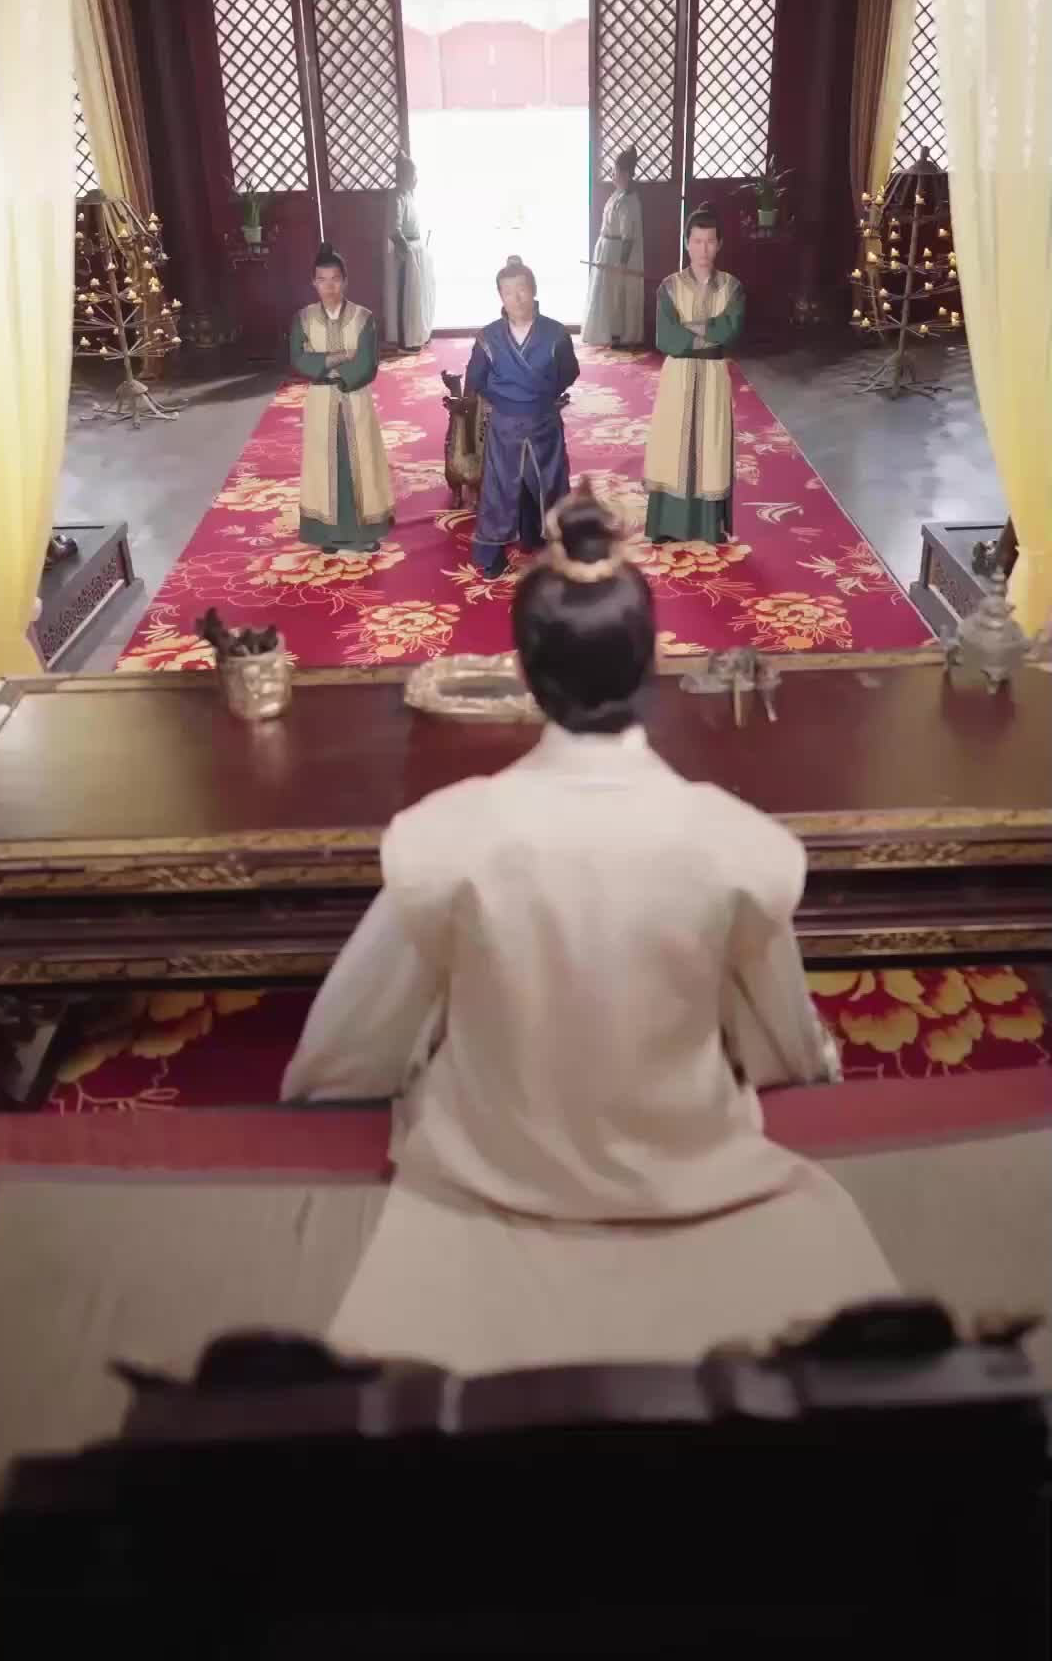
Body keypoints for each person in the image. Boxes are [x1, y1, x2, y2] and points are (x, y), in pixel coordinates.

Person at [282, 485, 898, 1376]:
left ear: (526, 672)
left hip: (489, 1169)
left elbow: (359, 1031)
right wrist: (806, 1076)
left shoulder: (453, 835)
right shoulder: (728, 840)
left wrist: (323, 1096)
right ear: (648, 665)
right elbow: (781, 1036)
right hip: (691, 1162)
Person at [465, 255, 580, 578]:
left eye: (522, 289)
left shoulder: (555, 333)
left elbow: (569, 372)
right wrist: (504, 400)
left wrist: (543, 396)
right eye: (508, 292)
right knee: (499, 487)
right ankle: (492, 553)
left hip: (544, 421)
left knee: (551, 483)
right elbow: (476, 379)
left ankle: (557, 546)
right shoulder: (488, 337)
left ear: (533, 290)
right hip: (505, 424)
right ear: (500, 296)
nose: (516, 298)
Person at [644, 205, 745, 544]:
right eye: (697, 241)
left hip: (714, 375)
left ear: (720, 244)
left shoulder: (732, 287)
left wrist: (689, 328)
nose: (703, 249)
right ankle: (666, 524)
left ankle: (708, 526)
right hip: (678, 376)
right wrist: (709, 330)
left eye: (710, 241)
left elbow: (731, 330)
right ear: (687, 243)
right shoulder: (669, 287)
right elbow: (666, 338)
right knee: (672, 443)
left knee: (711, 445)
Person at [290, 245, 393, 554]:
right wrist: (337, 357)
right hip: (320, 402)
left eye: (335, 279)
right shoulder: (303, 319)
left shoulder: (363, 318)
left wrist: (325, 364)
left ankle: (365, 532)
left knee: (361, 461)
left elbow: (366, 364)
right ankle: (328, 534)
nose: (329, 286)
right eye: (322, 280)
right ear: (313, 282)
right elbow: (298, 358)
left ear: (345, 280)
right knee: (323, 464)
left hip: (355, 397)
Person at [581, 143, 645, 348]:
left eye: (615, 172)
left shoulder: (629, 200)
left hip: (616, 253)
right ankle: (607, 333)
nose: (613, 176)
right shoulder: (617, 195)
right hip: (606, 249)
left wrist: (623, 263)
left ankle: (618, 334)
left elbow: (628, 237)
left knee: (616, 294)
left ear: (625, 173)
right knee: (606, 294)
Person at [383, 151, 436, 352]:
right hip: (407, 253)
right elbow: (394, 230)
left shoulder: (409, 196)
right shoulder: (397, 196)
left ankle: (417, 335)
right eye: (414, 175)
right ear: (405, 175)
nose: (416, 179)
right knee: (407, 300)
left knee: (417, 299)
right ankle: (406, 342)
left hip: (416, 250)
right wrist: (406, 253)